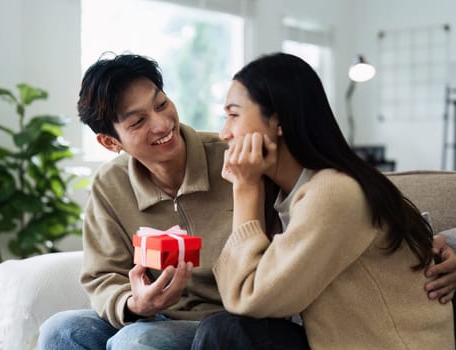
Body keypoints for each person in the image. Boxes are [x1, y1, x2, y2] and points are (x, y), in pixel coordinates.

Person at [37, 53, 456, 349]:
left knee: (139, 342)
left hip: (232, 320)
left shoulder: (247, 166)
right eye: (138, 121)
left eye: (162, 104)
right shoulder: (111, 186)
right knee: (62, 331)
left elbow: (368, 200)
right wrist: (133, 302)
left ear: (278, 122)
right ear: (111, 142)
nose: (164, 123)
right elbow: (100, 277)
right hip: (158, 314)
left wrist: (448, 244)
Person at [193, 52, 455, 349]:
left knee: (225, 330)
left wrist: (245, 188)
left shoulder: (335, 193)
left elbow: (248, 297)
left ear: (278, 119)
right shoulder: (287, 197)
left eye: (233, 114)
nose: (224, 132)